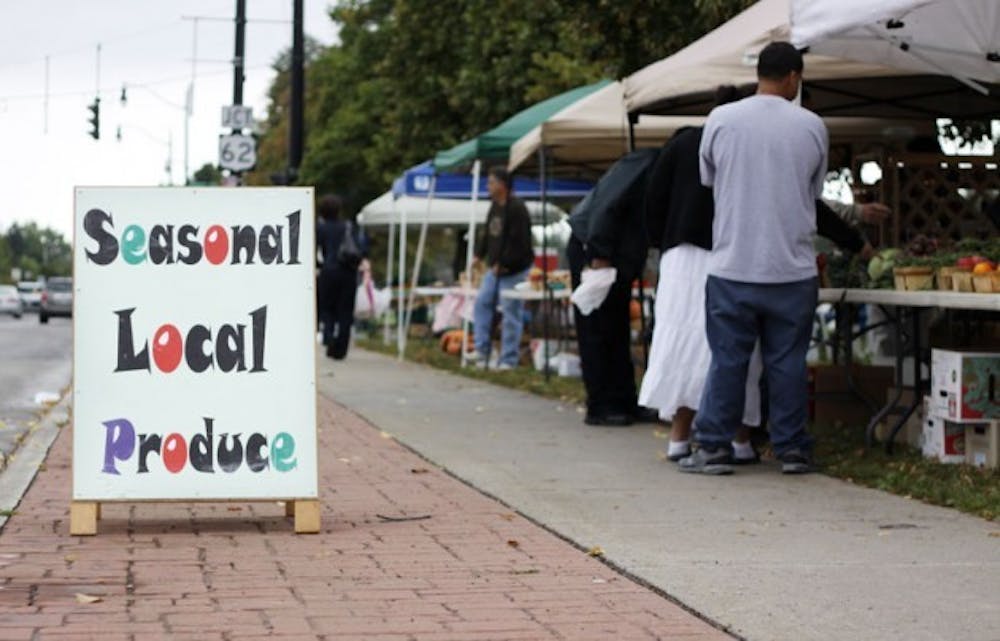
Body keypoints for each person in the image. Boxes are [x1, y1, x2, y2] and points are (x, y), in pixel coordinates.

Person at [680, 42, 828, 475]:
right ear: (794, 78)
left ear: (758, 73)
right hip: (793, 267)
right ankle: (792, 449)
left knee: (729, 360)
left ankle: (713, 448)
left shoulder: (721, 120)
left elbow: (709, 178)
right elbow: (813, 192)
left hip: (732, 265)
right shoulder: (813, 126)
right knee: (788, 363)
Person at [567, 148, 659, 426]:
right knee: (598, 329)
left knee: (617, 328)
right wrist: (599, 256)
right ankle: (600, 405)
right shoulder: (647, 167)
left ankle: (625, 400)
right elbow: (608, 207)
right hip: (597, 252)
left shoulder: (649, 166)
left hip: (614, 255)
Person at [466, 167, 534, 370]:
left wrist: (504, 264)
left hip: (515, 270)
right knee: (482, 304)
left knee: (511, 313)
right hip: (495, 270)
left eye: (491, 182)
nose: (488, 186)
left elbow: (520, 242)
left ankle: (508, 359)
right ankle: (482, 350)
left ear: (503, 185)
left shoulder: (517, 208)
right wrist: (479, 255)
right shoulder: (494, 206)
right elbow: (487, 233)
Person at [316, 193, 367, 360]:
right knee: (345, 310)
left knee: (327, 308)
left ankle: (329, 338)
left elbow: (316, 250)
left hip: (328, 272)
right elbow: (361, 248)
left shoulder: (320, 228)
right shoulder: (348, 226)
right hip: (347, 272)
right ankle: (341, 348)